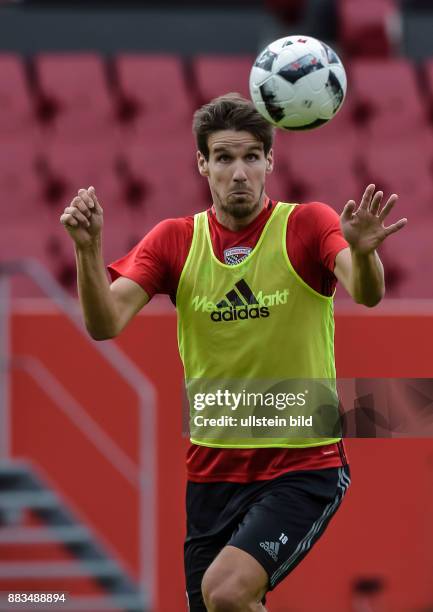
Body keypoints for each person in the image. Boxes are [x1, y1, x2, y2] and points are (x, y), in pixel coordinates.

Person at [60, 93, 407, 612]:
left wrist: (362, 250)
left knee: (226, 591)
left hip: (301, 467)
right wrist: (88, 252)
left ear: (271, 159)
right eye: (223, 157)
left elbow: (366, 289)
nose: (238, 171)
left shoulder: (306, 224)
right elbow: (104, 323)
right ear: (203, 164)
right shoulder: (174, 241)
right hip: (212, 475)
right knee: (219, 603)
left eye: (250, 156)